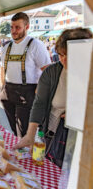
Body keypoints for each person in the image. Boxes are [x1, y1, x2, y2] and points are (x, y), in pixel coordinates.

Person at [14, 28, 92, 167]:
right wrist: (30, 134)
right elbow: (40, 103)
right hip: (55, 133)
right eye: (61, 54)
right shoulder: (52, 72)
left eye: (70, 55)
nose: (64, 60)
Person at [0, 12, 51, 137]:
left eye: (18, 27)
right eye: (12, 27)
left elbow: (48, 70)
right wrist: (2, 86)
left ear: (27, 27)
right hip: (8, 92)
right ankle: (18, 152)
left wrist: (39, 91)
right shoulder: (6, 47)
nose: (13, 31)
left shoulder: (36, 45)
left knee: (23, 132)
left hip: (27, 93)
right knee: (14, 130)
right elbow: (2, 68)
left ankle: (24, 155)